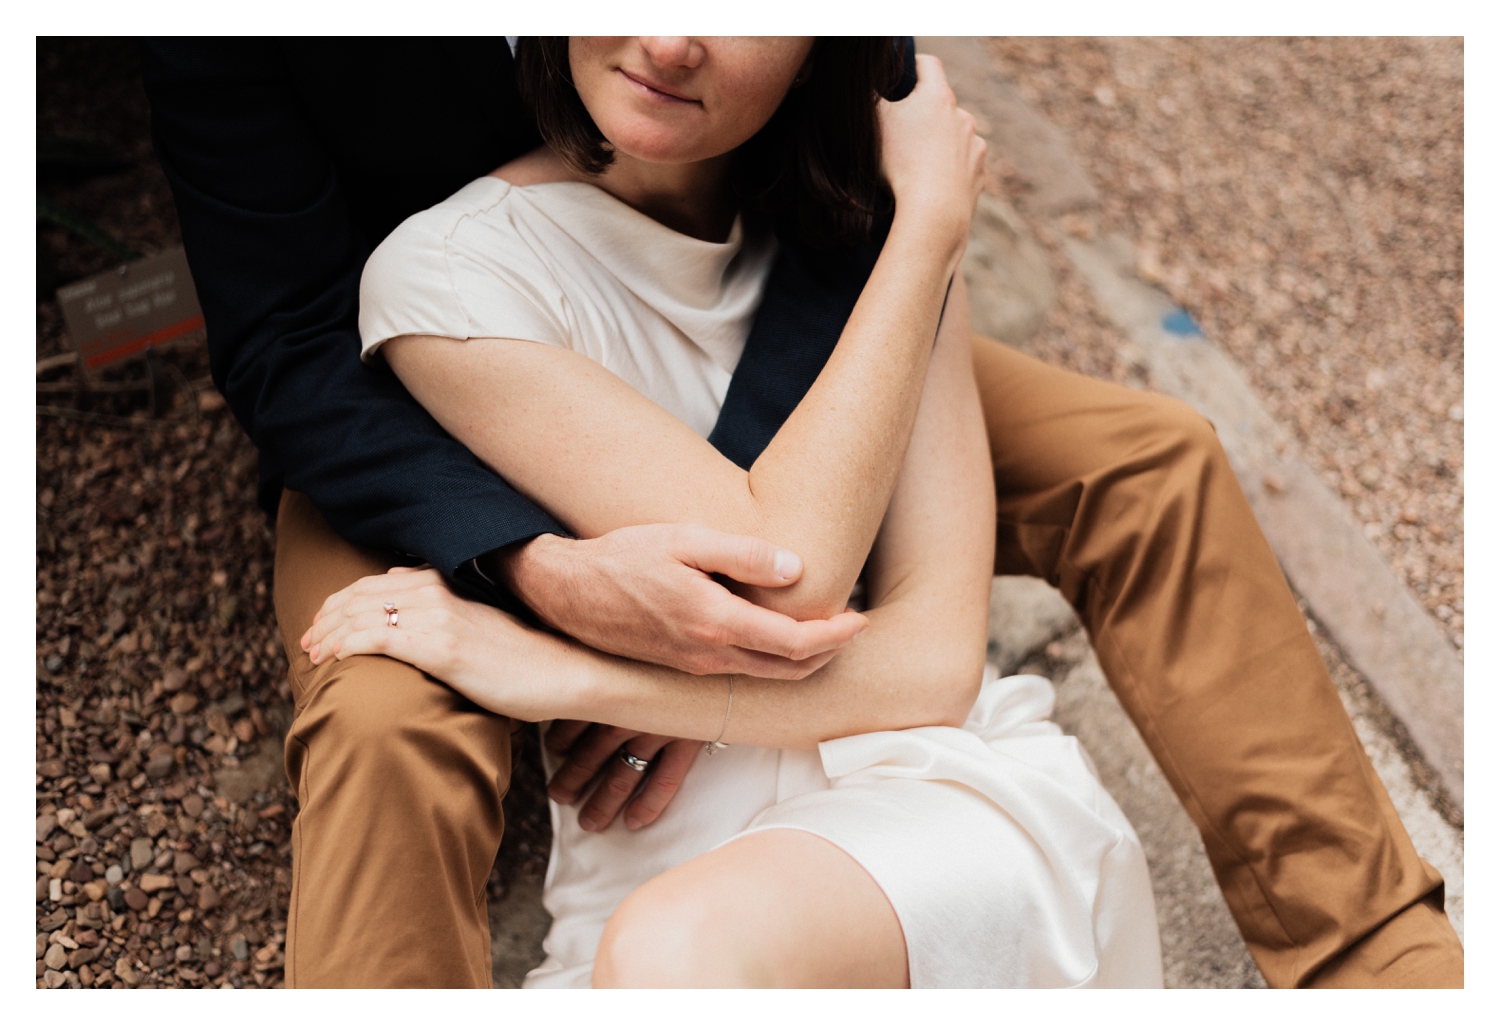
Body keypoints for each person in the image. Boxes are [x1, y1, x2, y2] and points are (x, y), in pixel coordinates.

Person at [140, 37, 1462, 988]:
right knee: (379, 701)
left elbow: (864, 140)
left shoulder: (767, 91)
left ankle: (1378, 958)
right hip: (416, 411)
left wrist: (915, 238)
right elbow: (290, 338)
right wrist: (533, 569)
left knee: (1141, 458)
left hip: (755, 280)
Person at [299, 36, 1160, 988]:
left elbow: (931, 664)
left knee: (678, 953)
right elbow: (786, 568)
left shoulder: (891, 223)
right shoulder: (450, 276)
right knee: (666, 955)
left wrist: (562, 676)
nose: (671, 40)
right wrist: (926, 225)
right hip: (642, 885)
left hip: (930, 804)